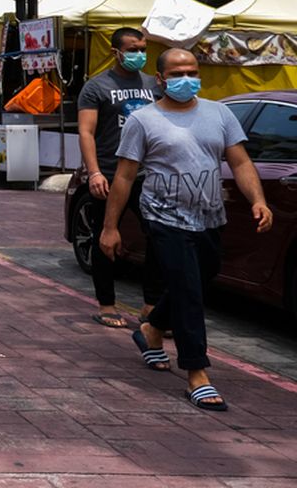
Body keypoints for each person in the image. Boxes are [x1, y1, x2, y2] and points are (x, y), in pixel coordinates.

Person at [101, 49, 272, 412]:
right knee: (189, 291)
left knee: (202, 275)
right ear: (160, 79)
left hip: (210, 216)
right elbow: (125, 176)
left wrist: (258, 199)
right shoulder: (143, 120)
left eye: (192, 71)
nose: (187, 78)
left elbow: (240, 161)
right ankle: (197, 373)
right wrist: (110, 227)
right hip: (164, 217)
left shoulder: (219, 113)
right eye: (178, 72)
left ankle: (150, 330)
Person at [77, 28, 162, 328]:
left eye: (143, 48)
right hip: (111, 174)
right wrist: (94, 172)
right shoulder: (97, 87)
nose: (140, 54)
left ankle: (151, 305)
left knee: (157, 236)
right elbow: (86, 131)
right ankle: (107, 304)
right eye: (133, 49)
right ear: (116, 52)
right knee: (106, 238)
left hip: (147, 175)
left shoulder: (154, 85)